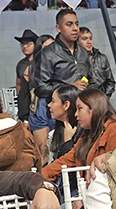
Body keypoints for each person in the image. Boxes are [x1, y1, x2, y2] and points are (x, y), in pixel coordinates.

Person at [32, 9, 91, 165]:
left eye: (77, 24)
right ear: (58, 28)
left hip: (83, 113)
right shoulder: (48, 53)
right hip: (59, 117)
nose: (75, 28)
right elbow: (40, 87)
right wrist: (68, 87)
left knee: (84, 156)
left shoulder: (83, 52)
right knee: (63, 158)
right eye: (69, 24)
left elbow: (90, 78)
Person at [42, 88, 116, 181]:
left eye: (80, 108)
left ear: (93, 108)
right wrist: (40, 175)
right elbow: (68, 159)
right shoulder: (88, 132)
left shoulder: (114, 129)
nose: (76, 114)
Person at [79, 27, 116, 99]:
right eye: (84, 39)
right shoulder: (73, 60)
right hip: (81, 100)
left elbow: (110, 82)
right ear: (77, 42)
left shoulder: (102, 58)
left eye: (90, 38)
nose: (89, 42)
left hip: (100, 100)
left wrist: (103, 99)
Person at [47, 84, 82, 163]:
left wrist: (68, 141)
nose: (49, 105)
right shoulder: (54, 134)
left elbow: (71, 163)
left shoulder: (84, 132)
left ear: (66, 105)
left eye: (53, 101)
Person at [14, 28, 39, 122]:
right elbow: (18, 84)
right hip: (24, 105)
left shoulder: (40, 61)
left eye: (28, 44)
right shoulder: (21, 64)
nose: (24, 46)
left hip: (38, 104)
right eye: (22, 44)